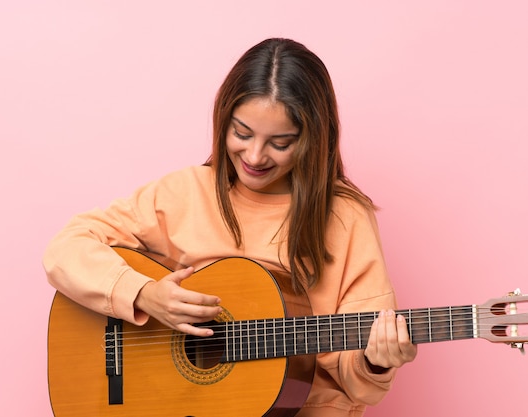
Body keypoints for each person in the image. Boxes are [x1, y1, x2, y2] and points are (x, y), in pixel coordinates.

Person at [43, 37, 417, 417]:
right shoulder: (184, 192)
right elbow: (65, 249)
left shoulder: (345, 216)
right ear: (223, 121)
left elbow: (360, 385)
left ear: (312, 140)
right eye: (241, 133)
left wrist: (376, 362)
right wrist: (143, 294)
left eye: (281, 142)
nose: (255, 156)